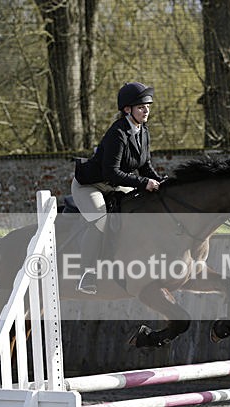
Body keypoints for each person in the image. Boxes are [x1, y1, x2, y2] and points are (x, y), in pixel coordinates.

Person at [71, 82, 163, 294]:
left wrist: (160, 182)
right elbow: (111, 172)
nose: (146, 110)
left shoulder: (143, 131)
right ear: (127, 109)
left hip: (115, 184)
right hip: (91, 185)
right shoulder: (117, 133)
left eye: (148, 106)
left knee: (137, 209)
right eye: (141, 107)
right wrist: (143, 183)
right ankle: (87, 274)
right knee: (100, 219)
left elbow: (145, 166)